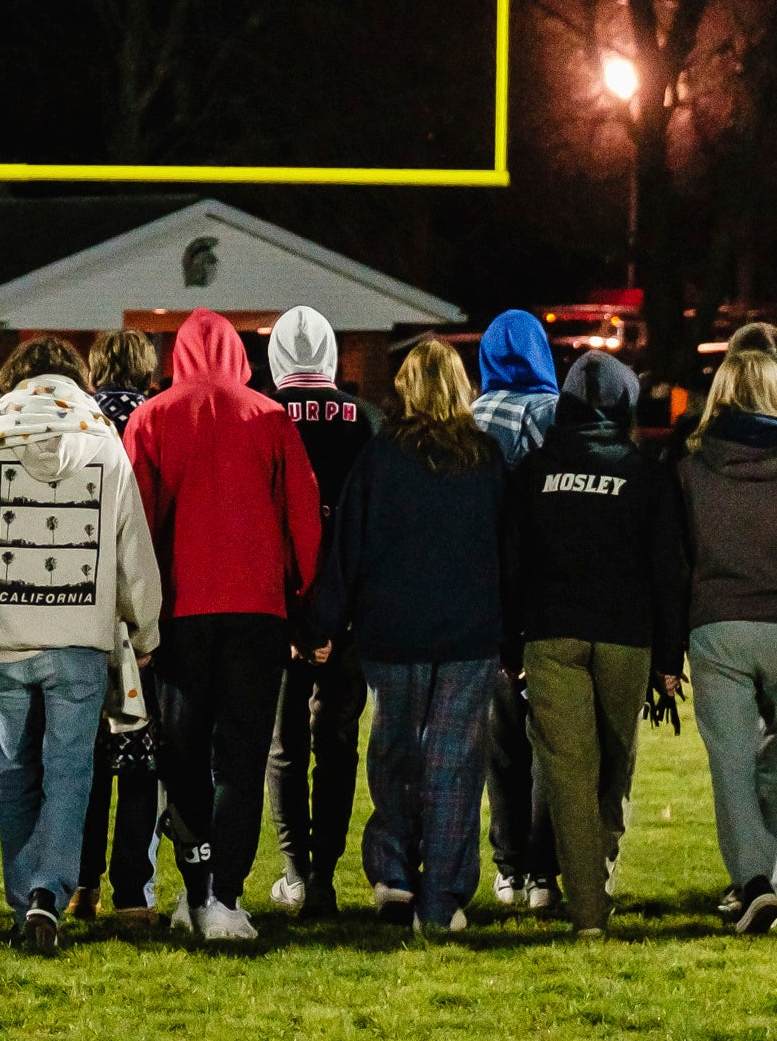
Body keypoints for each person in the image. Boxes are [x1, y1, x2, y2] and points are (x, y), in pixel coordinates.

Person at [0, 336, 162, 956]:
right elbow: (131, 548)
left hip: (6, 640)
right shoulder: (104, 442)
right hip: (80, 640)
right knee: (69, 773)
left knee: (15, 776)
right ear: (75, 378)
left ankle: (24, 892)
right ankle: (48, 895)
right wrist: (147, 629)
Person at [125, 306, 322, 942]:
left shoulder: (151, 417)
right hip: (256, 611)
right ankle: (226, 897)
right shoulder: (269, 417)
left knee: (181, 758)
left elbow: (137, 525)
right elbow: (304, 519)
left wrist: (137, 614)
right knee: (239, 758)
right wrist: (305, 605)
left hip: (180, 612)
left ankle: (194, 886)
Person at [300, 337, 506, 936]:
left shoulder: (382, 456)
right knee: (453, 763)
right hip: (469, 632)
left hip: (392, 632)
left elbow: (349, 549)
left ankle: (392, 872)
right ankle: (440, 897)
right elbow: (508, 551)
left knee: (394, 750)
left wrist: (322, 624)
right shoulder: (487, 460)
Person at [498, 347, 686, 940]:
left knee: (569, 773)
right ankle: (596, 881)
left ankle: (587, 914)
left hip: (552, 635)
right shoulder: (645, 474)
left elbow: (511, 565)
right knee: (612, 767)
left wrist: (509, 647)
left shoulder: (533, 471)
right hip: (626, 639)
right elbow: (668, 572)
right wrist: (669, 659)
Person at [674, 347, 777, 933]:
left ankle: (755, 882)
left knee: (733, 766)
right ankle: (764, 881)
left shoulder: (692, 468)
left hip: (719, 625)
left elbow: (682, 555)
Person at [262, 305, 370, 918]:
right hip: (348, 612)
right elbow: (366, 524)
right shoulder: (362, 420)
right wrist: (339, 615)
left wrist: (299, 620)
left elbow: (265, 522)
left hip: (283, 610)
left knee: (285, 745)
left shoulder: (264, 415)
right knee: (337, 742)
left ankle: (297, 873)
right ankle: (325, 875)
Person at [465, 308, 559, 911]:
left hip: (486, 598)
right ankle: (545, 874)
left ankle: (508, 867)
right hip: (552, 595)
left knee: (500, 741)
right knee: (552, 738)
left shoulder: (472, 420)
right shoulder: (560, 416)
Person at [76, 328, 165, 922]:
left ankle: (82, 883)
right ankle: (133, 890)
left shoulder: (78, 421)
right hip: (137, 603)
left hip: (80, 602)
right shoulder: (155, 422)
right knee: (139, 754)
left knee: (86, 757)